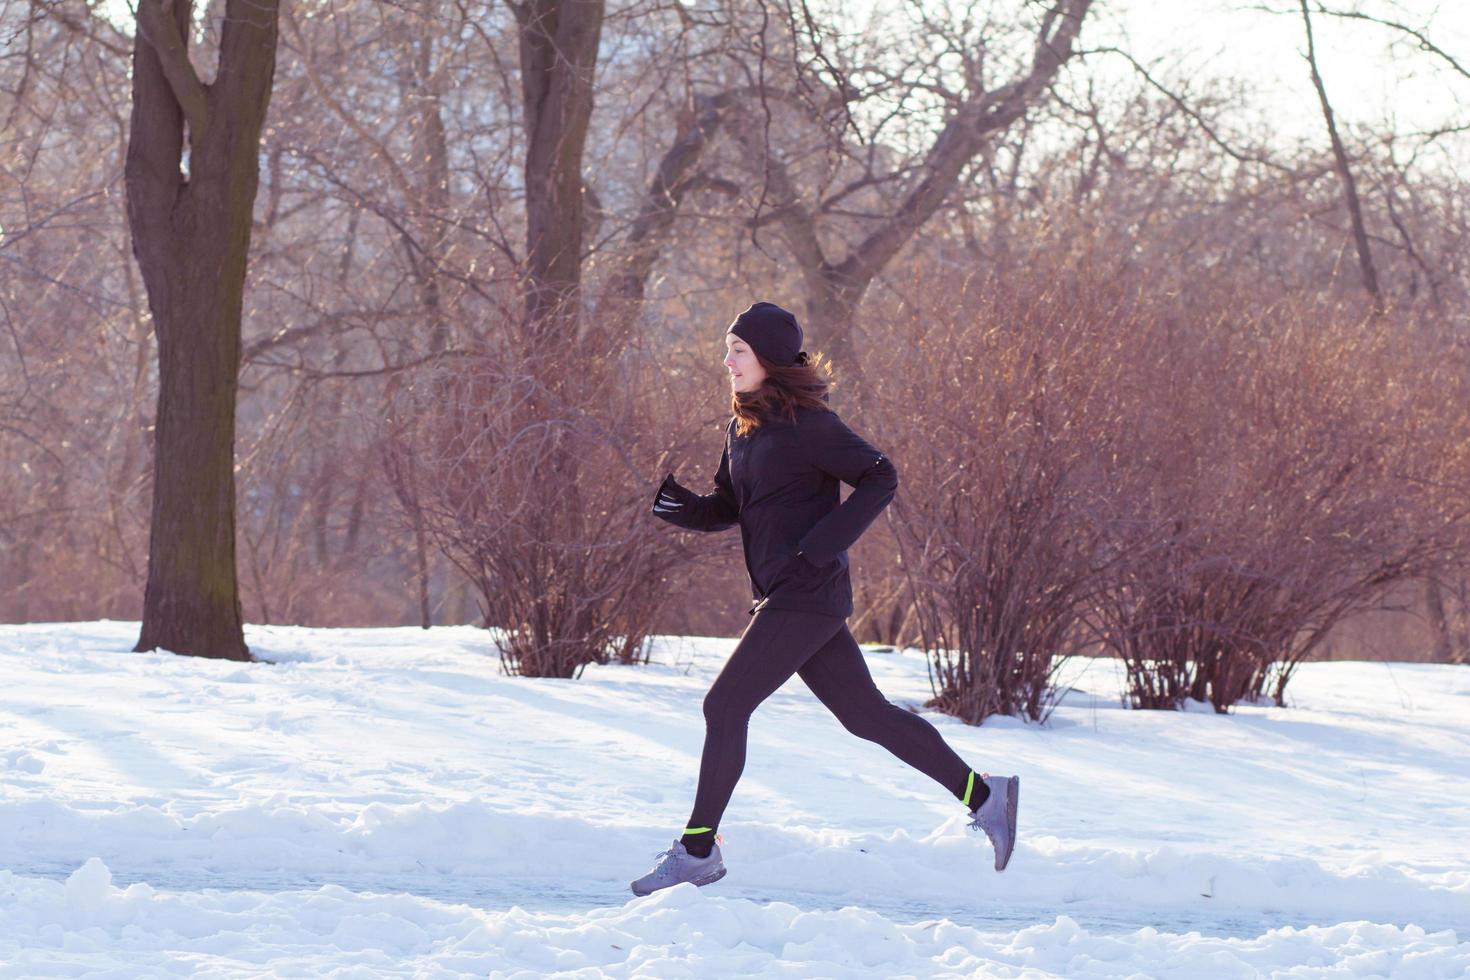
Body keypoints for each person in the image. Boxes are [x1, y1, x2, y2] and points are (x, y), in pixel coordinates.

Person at [631, 300, 1019, 897]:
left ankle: (697, 851)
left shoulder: (810, 425)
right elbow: (729, 507)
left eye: (738, 350)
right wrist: (678, 506)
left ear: (768, 359)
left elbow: (880, 474)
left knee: (724, 707)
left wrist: (822, 544)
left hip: (805, 594)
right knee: (866, 716)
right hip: (787, 596)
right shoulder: (741, 428)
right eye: (728, 349)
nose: (727, 360)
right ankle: (986, 797)